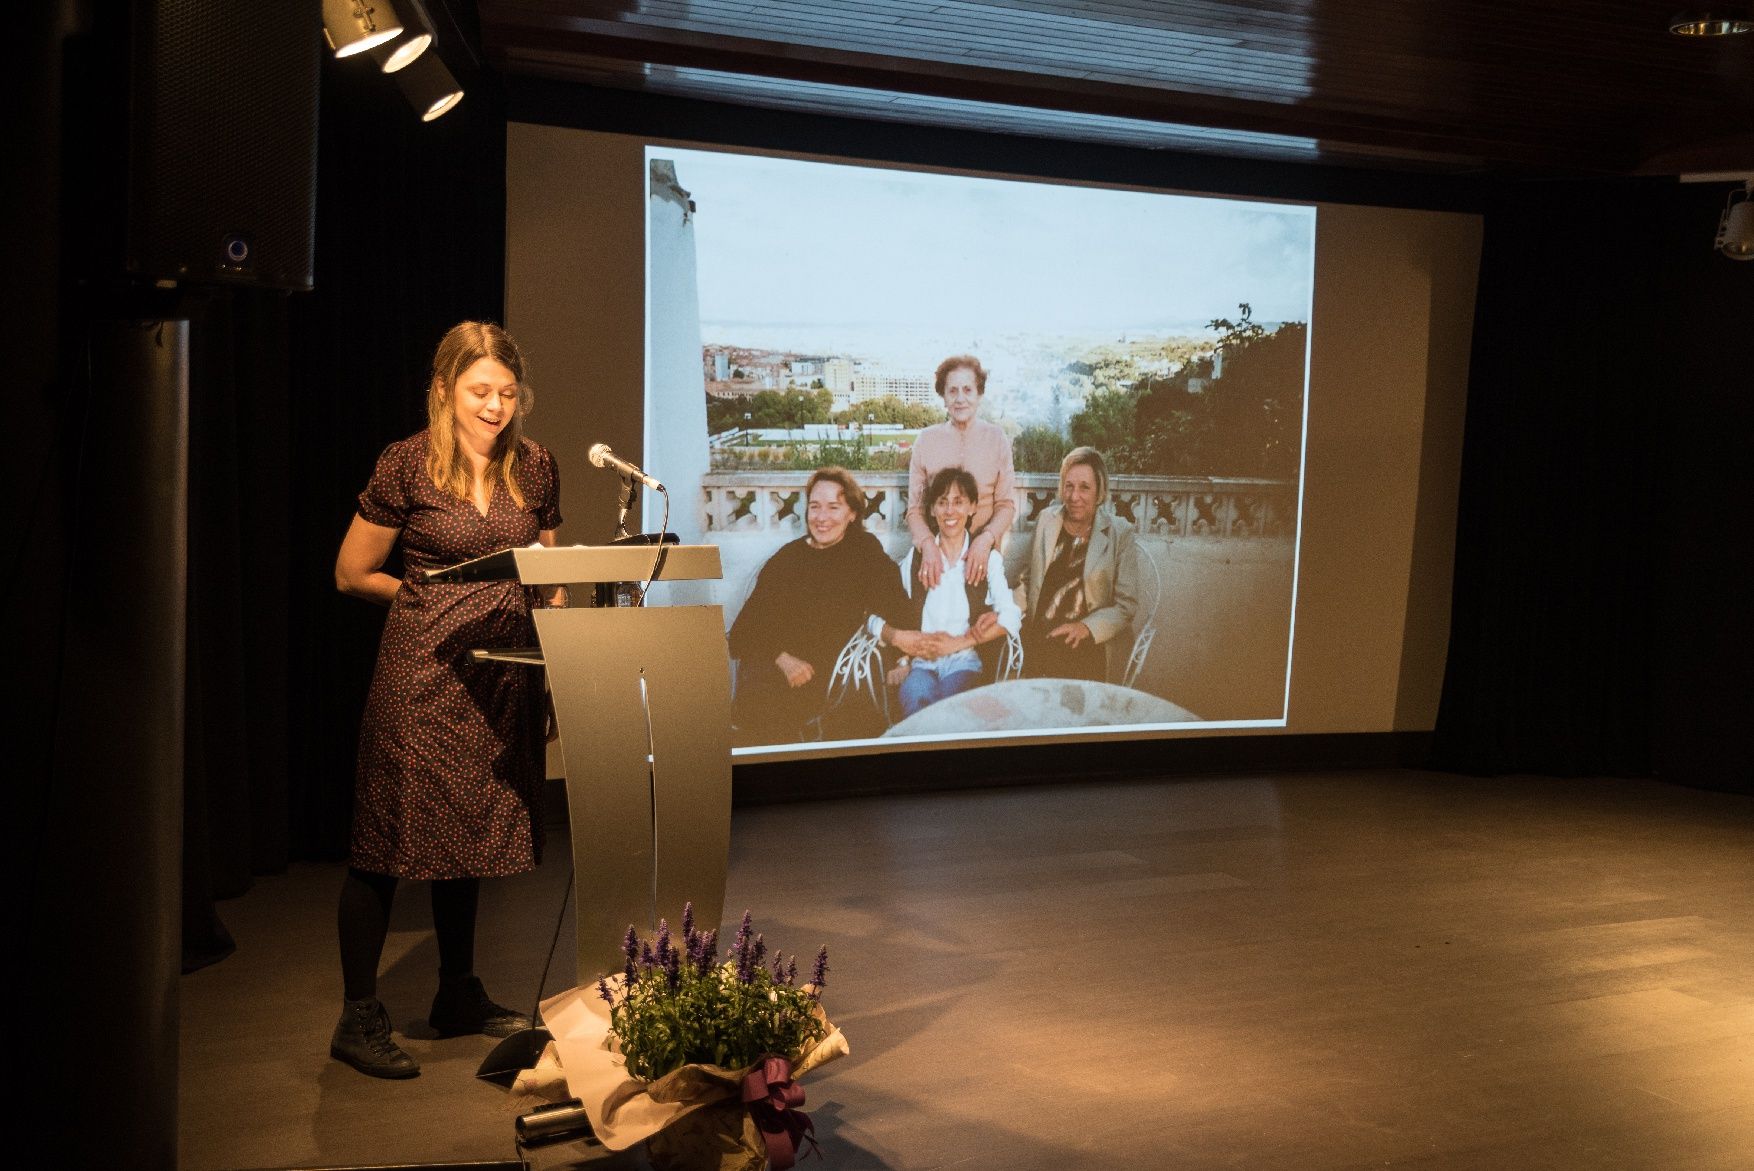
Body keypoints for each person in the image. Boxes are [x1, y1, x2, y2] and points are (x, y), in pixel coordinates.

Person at [329, 322, 564, 1079]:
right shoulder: (407, 464)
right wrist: (428, 598)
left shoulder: (536, 467)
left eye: (505, 393)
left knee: (464, 833)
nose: (494, 407)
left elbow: (550, 572)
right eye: (478, 392)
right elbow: (352, 570)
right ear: (444, 391)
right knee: (387, 840)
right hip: (423, 675)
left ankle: (456, 992)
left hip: (502, 676)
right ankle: (358, 1016)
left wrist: (558, 635)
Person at [728, 467, 932, 745]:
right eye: (815, 507)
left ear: (852, 514)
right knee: (753, 713)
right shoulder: (787, 558)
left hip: (820, 676)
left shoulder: (863, 551)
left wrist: (903, 657)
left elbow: (897, 606)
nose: (822, 518)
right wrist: (783, 659)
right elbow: (741, 632)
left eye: (834, 507)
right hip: (771, 666)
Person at [887, 467, 1023, 717]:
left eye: (958, 502)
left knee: (953, 708)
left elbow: (1011, 616)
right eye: (942, 502)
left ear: (972, 507)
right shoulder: (917, 560)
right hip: (922, 663)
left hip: (965, 663)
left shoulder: (986, 559)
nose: (950, 511)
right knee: (915, 699)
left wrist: (958, 643)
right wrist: (904, 659)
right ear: (932, 509)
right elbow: (897, 612)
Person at [1020, 446, 1140, 683]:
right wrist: (1004, 613)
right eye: (1069, 486)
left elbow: (1126, 605)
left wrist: (1085, 628)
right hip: (1041, 634)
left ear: (1099, 492)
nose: (1074, 497)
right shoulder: (1046, 520)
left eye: (1084, 487)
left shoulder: (1120, 533)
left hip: (1087, 640)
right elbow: (1027, 579)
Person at [904, 355, 1017, 591]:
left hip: (982, 558)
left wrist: (985, 541)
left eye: (968, 390)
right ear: (943, 397)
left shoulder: (997, 439)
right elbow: (914, 509)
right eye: (952, 391)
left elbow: (1006, 505)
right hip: (937, 558)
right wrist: (928, 546)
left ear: (979, 394)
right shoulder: (926, 440)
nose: (960, 399)